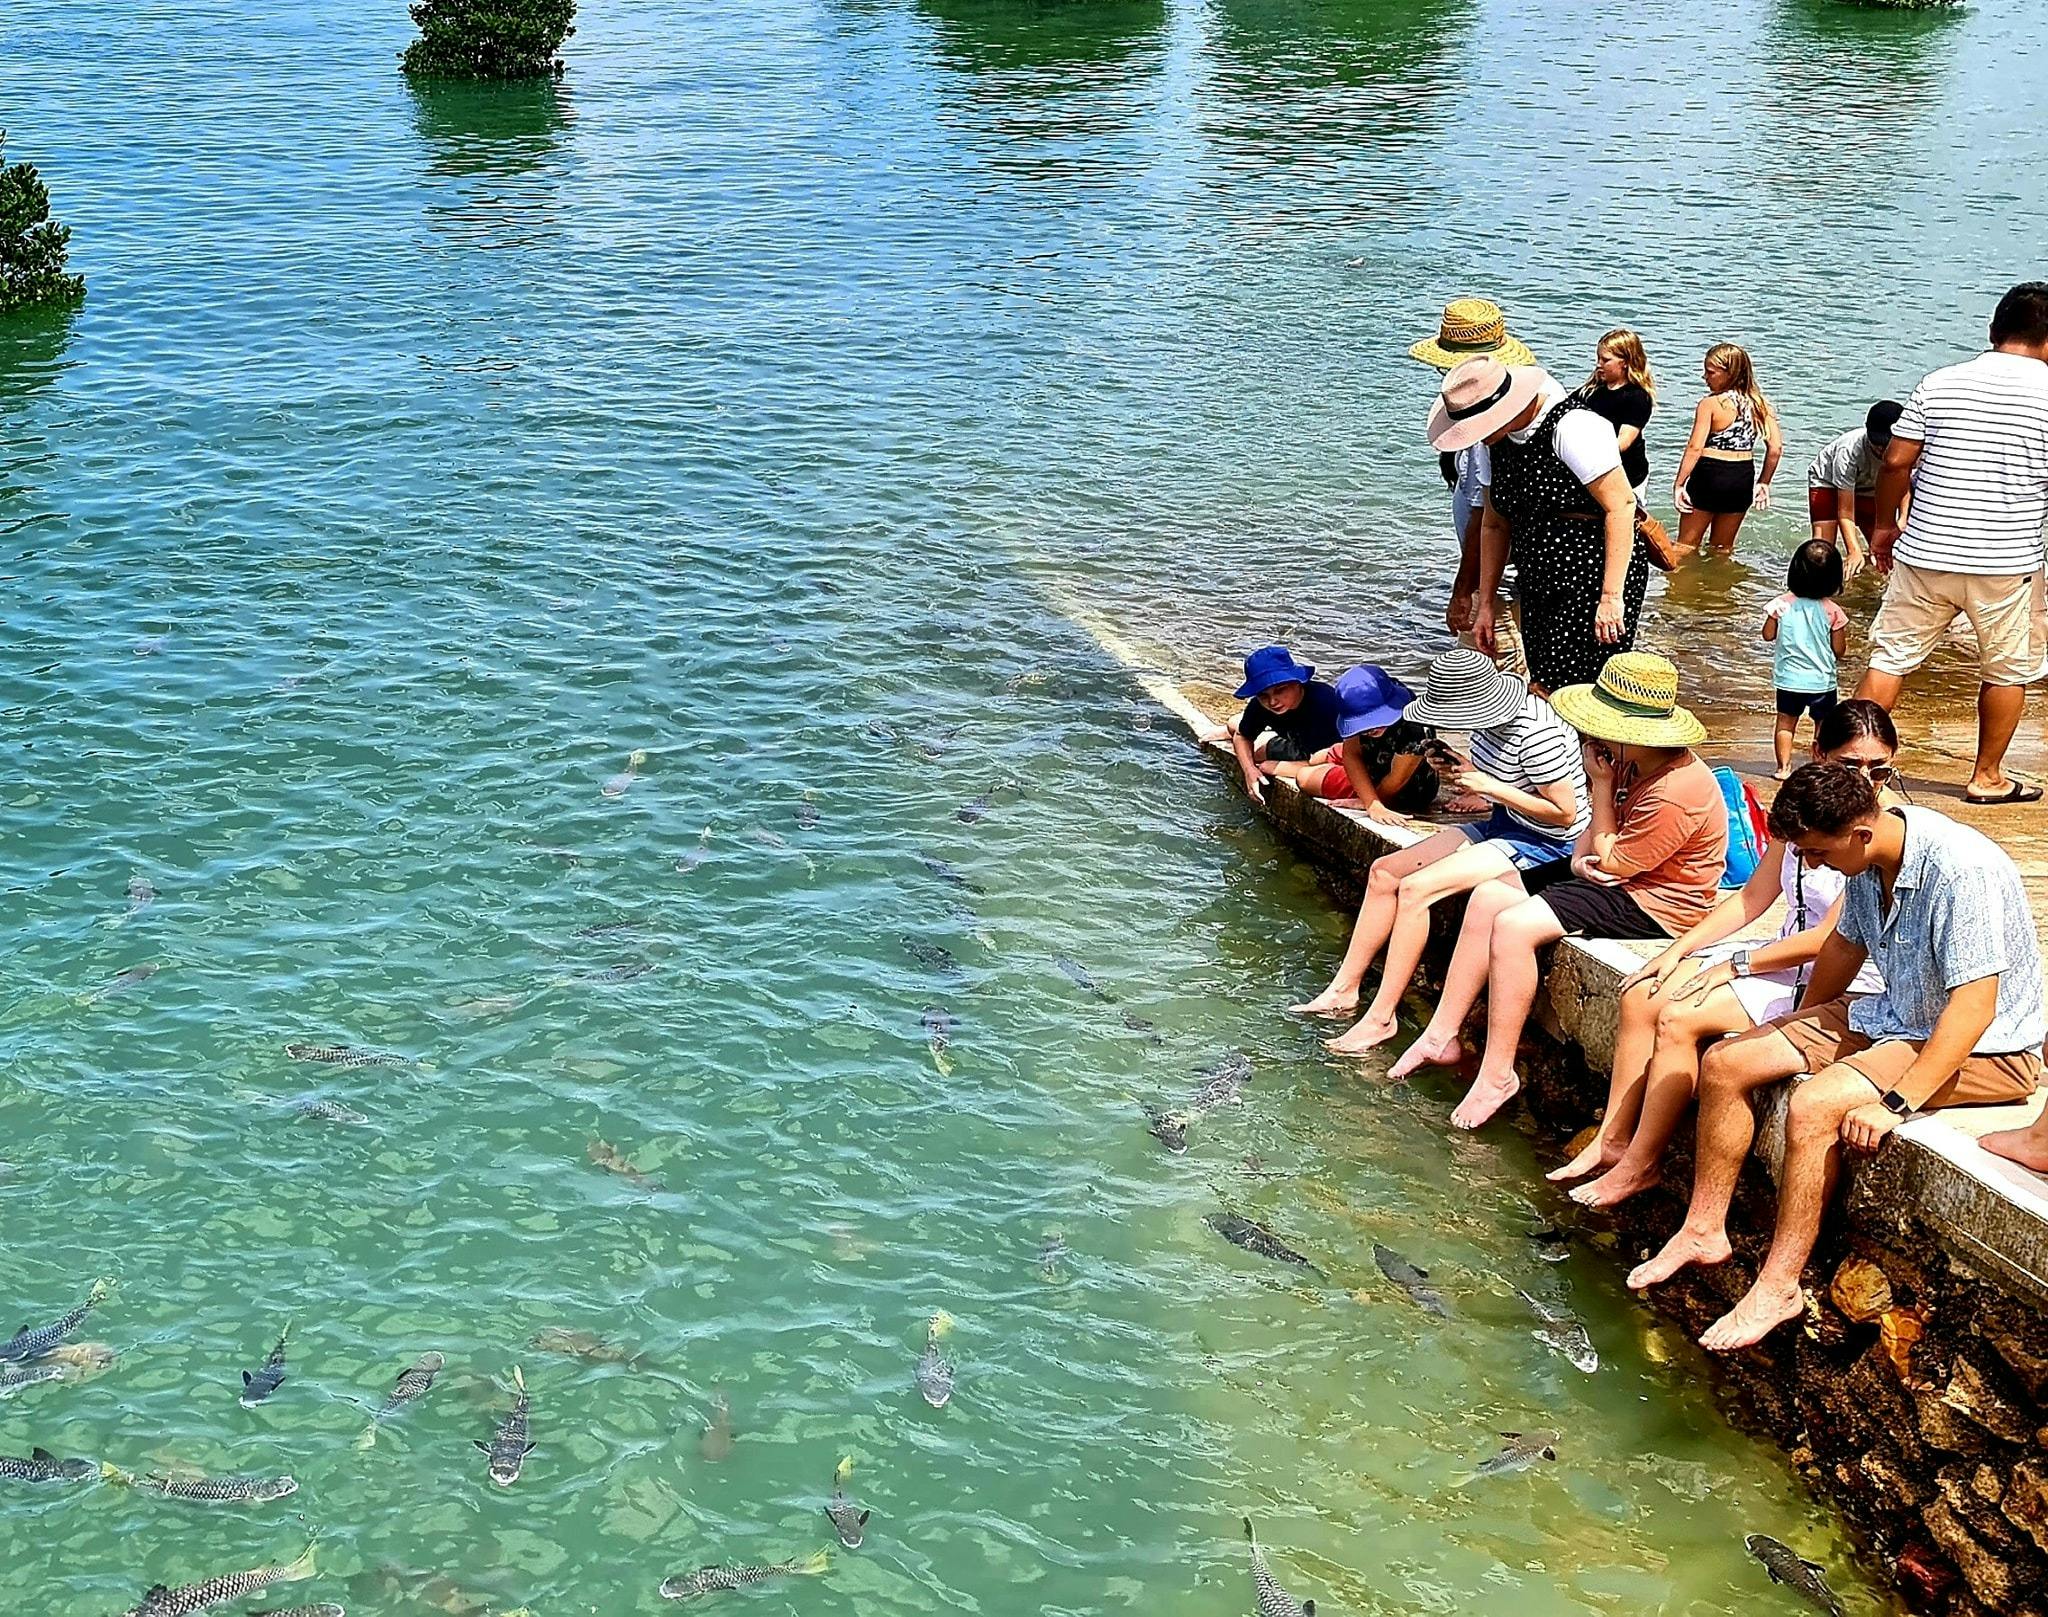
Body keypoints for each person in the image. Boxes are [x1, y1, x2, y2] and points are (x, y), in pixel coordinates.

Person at [1629, 767, 2044, 1351]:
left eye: (1818, 853)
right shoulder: (1868, 860)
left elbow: (1974, 1008)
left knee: (1814, 1104)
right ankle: (1703, 1229)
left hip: (1985, 1047)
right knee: (1727, 1062)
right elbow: (1845, 947)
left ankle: (1779, 1287)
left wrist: (1896, 1104)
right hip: (1895, 1014)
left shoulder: (1961, 871)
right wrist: (1798, 1031)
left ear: (1860, 833)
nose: (1812, 865)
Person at [1549, 701, 1898, 1208]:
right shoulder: (1805, 808)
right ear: (1819, 754)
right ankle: (1611, 1139)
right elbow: (1752, 898)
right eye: (1851, 765)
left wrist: (1734, 965)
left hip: (1835, 975)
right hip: (1781, 955)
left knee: (1678, 1019)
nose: (1866, 779)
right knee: (1642, 993)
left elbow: (1833, 939)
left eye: (1879, 769)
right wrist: (1680, 949)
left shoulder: (1870, 834)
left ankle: (1641, 1164)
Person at [1388, 654, 1727, 1130]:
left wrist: (1601, 790)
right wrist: (1585, 853)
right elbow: (1590, 843)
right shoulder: (1626, 761)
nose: (1591, 736)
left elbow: (1615, 860)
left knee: (1513, 927)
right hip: (1617, 877)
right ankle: (1442, 1032)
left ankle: (1498, 1073)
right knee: (1488, 896)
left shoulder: (1675, 788)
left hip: (1657, 902)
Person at [1292, 650, 1588, 1048]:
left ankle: (1382, 1017)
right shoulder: (1487, 723)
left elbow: (1565, 814)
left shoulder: (1538, 734)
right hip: (1504, 823)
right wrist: (1464, 770)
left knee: (1417, 889)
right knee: (1384, 872)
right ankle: (1344, 989)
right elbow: (1503, 780)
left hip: (1546, 841)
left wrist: (1490, 787)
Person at [1857, 281, 2048, 806]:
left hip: (1926, 551)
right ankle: (1986, 777)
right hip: (2008, 563)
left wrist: (1884, 526)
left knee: (1890, 659)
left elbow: (1896, 461)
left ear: (1993, 331)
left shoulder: (1939, 382)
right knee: (2007, 670)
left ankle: (1846, 769)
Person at [1427, 357, 1647, 693]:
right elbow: (1494, 523)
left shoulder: (1573, 428)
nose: (1476, 437)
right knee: (1544, 681)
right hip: (1538, 574)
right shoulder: (1492, 443)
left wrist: (1610, 598)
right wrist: (1485, 603)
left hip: (1595, 571)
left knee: (1587, 689)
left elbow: (1621, 506)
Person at [1412, 298, 1534, 677]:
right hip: (1503, 570)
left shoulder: (1488, 426)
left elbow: (1487, 517)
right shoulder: (1507, 403)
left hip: (1496, 574)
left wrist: (1463, 591)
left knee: (1483, 675)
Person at [1259, 665, 1438, 821]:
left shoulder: (1413, 725)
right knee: (1318, 757)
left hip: (1404, 786)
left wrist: (1372, 802)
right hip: (1374, 753)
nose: (1371, 728)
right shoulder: (1360, 708)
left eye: (1376, 721)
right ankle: (1311, 764)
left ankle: (1296, 768)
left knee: (1304, 778)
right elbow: (1351, 754)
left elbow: (1397, 779)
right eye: (1363, 725)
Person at [1670, 343, 1784, 554]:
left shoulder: (1710, 404)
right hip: (1741, 478)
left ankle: (1680, 577)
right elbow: (1775, 448)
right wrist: (1764, 482)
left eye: (1710, 372)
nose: (1705, 377)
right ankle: (1718, 577)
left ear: (1730, 373)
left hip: (1709, 475)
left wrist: (1679, 484)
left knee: (1685, 546)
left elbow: (1695, 447)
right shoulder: (1761, 405)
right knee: (1722, 549)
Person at [1763, 539, 1849, 778]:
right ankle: (1819, 764)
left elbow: (1768, 635)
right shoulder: (1833, 611)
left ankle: (1783, 768)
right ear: (1834, 578)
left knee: (1785, 723)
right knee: (1822, 724)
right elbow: (1839, 649)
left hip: (1789, 679)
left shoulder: (1781, 604)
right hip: (1821, 681)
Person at [1225, 646, 1341, 805]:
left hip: (1326, 753)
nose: (1272, 702)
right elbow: (1243, 736)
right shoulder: (1260, 704)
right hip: (1296, 743)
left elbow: (1333, 760)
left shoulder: (1325, 705)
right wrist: (1249, 771)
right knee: (1237, 732)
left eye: (1280, 691)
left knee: (1266, 766)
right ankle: (1237, 725)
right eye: (1263, 695)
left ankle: (1254, 731)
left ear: (1297, 683)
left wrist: (1278, 768)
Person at [1806, 399, 1904, 576]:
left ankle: (1868, 581)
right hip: (1827, 482)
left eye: (1886, 445)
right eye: (1877, 443)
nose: (1881, 450)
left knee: (1883, 550)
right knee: (1822, 551)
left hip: (1870, 488)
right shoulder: (1849, 451)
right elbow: (1845, 511)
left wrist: (1903, 520)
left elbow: (1904, 484)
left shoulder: (1906, 448)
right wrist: (1853, 551)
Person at [1577, 328, 1656, 500]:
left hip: (1627, 473)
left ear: (1625, 362)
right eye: (1598, 358)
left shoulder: (1637, 397)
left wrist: (1585, 454)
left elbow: (1623, 442)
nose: (1599, 364)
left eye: (1605, 360)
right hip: (1590, 468)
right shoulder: (1590, 391)